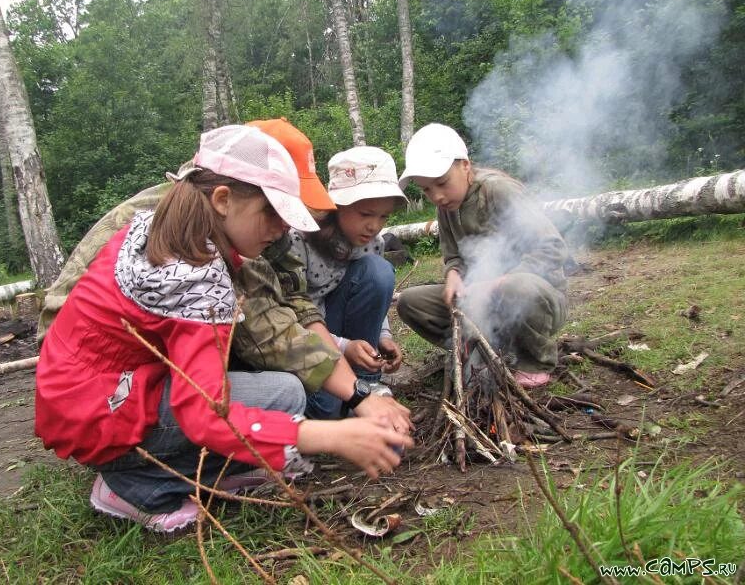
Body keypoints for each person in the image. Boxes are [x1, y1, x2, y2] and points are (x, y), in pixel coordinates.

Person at [35, 125, 413, 533]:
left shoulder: (167, 224)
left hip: (86, 390)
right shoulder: (196, 279)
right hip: (96, 410)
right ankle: (135, 486)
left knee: (279, 393)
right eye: (272, 213)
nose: (282, 228)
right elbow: (205, 414)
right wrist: (332, 437)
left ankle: (206, 469)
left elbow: (281, 317)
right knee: (282, 399)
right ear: (222, 200)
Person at [396, 123, 569, 387]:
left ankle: (535, 362)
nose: (437, 196)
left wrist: (496, 284)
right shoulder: (446, 207)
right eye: (427, 190)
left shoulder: (498, 191)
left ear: (465, 165)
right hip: (484, 305)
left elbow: (551, 248)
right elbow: (453, 256)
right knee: (410, 302)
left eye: (442, 183)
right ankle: (483, 348)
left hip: (537, 299)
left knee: (517, 286)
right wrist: (453, 275)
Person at [281, 146, 408, 418]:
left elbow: (374, 296)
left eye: (383, 216)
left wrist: (383, 336)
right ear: (336, 206)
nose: (374, 226)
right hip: (304, 336)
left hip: (338, 327)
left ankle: (366, 381)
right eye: (365, 214)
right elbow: (292, 314)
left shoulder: (374, 244)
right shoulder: (299, 240)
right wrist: (342, 347)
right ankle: (340, 393)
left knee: (379, 271)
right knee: (325, 410)